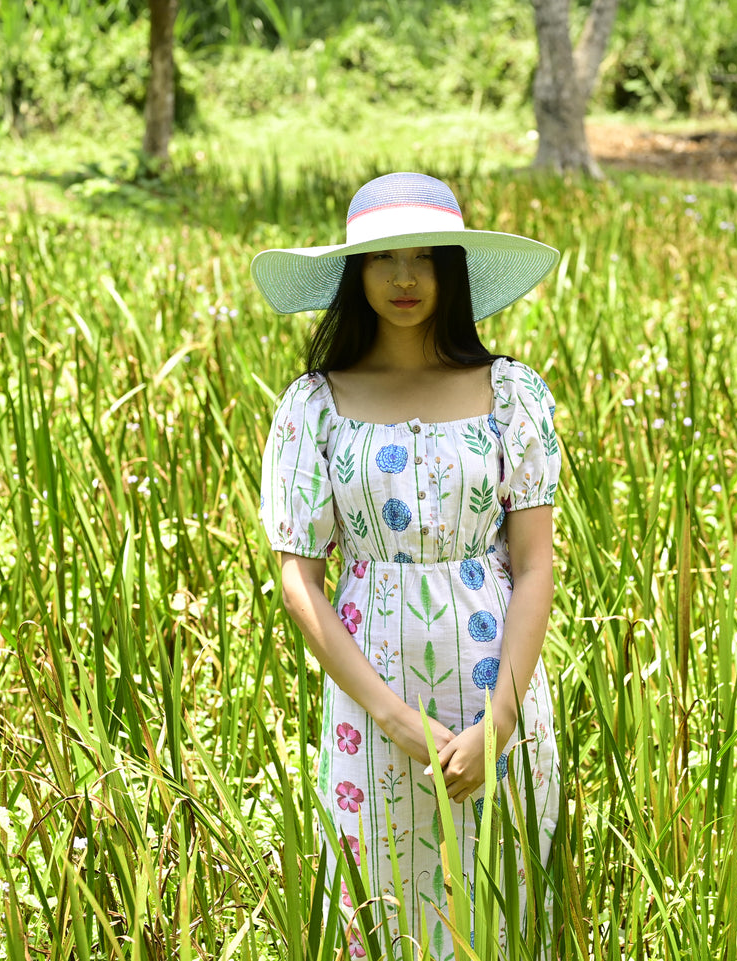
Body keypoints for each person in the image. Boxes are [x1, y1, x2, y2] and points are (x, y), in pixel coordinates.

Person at [252, 172, 564, 959]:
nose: (403, 278)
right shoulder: (314, 404)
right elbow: (299, 579)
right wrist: (393, 717)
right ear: (354, 274)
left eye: (426, 259)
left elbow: (533, 565)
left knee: (502, 910)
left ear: (451, 272)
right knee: (377, 913)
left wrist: (498, 717)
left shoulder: (511, 393)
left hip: (498, 691)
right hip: (371, 707)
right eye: (383, 259)